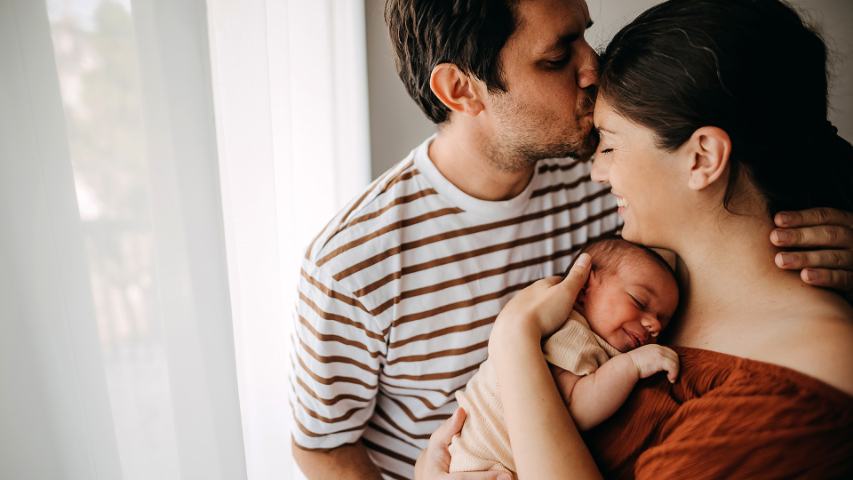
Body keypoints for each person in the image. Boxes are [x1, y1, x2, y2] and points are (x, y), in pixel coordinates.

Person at [291, 1, 853, 479]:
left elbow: (767, 130)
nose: (592, 67)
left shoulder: (609, 184)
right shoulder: (351, 263)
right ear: (460, 89)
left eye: (585, 33)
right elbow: (323, 444)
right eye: (557, 57)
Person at [449, 238, 680, 476]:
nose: (653, 324)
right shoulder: (571, 332)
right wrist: (631, 365)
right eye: (639, 301)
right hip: (482, 464)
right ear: (582, 290)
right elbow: (575, 410)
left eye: (662, 320)